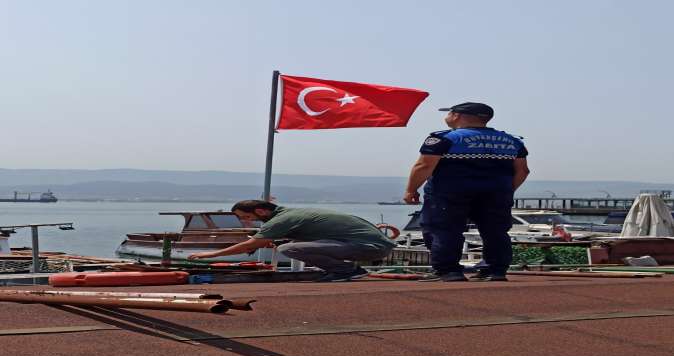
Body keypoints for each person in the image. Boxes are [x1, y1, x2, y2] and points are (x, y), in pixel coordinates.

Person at [403, 102, 530, 281]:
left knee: (443, 229)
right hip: (496, 194)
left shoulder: (443, 139)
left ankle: (448, 271)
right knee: (495, 231)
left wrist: (410, 190)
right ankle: (495, 270)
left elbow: (424, 165)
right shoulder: (512, 140)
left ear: (456, 116)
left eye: (449, 113)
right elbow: (523, 171)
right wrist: (506, 191)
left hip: (449, 194)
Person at [187, 200, 396, 282]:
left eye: (246, 216)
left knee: (288, 248)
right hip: (374, 244)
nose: (244, 220)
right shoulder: (290, 214)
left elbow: (252, 244)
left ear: (260, 210)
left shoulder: (281, 219)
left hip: (370, 248)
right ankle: (342, 269)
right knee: (286, 244)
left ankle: (346, 270)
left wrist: (211, 255)